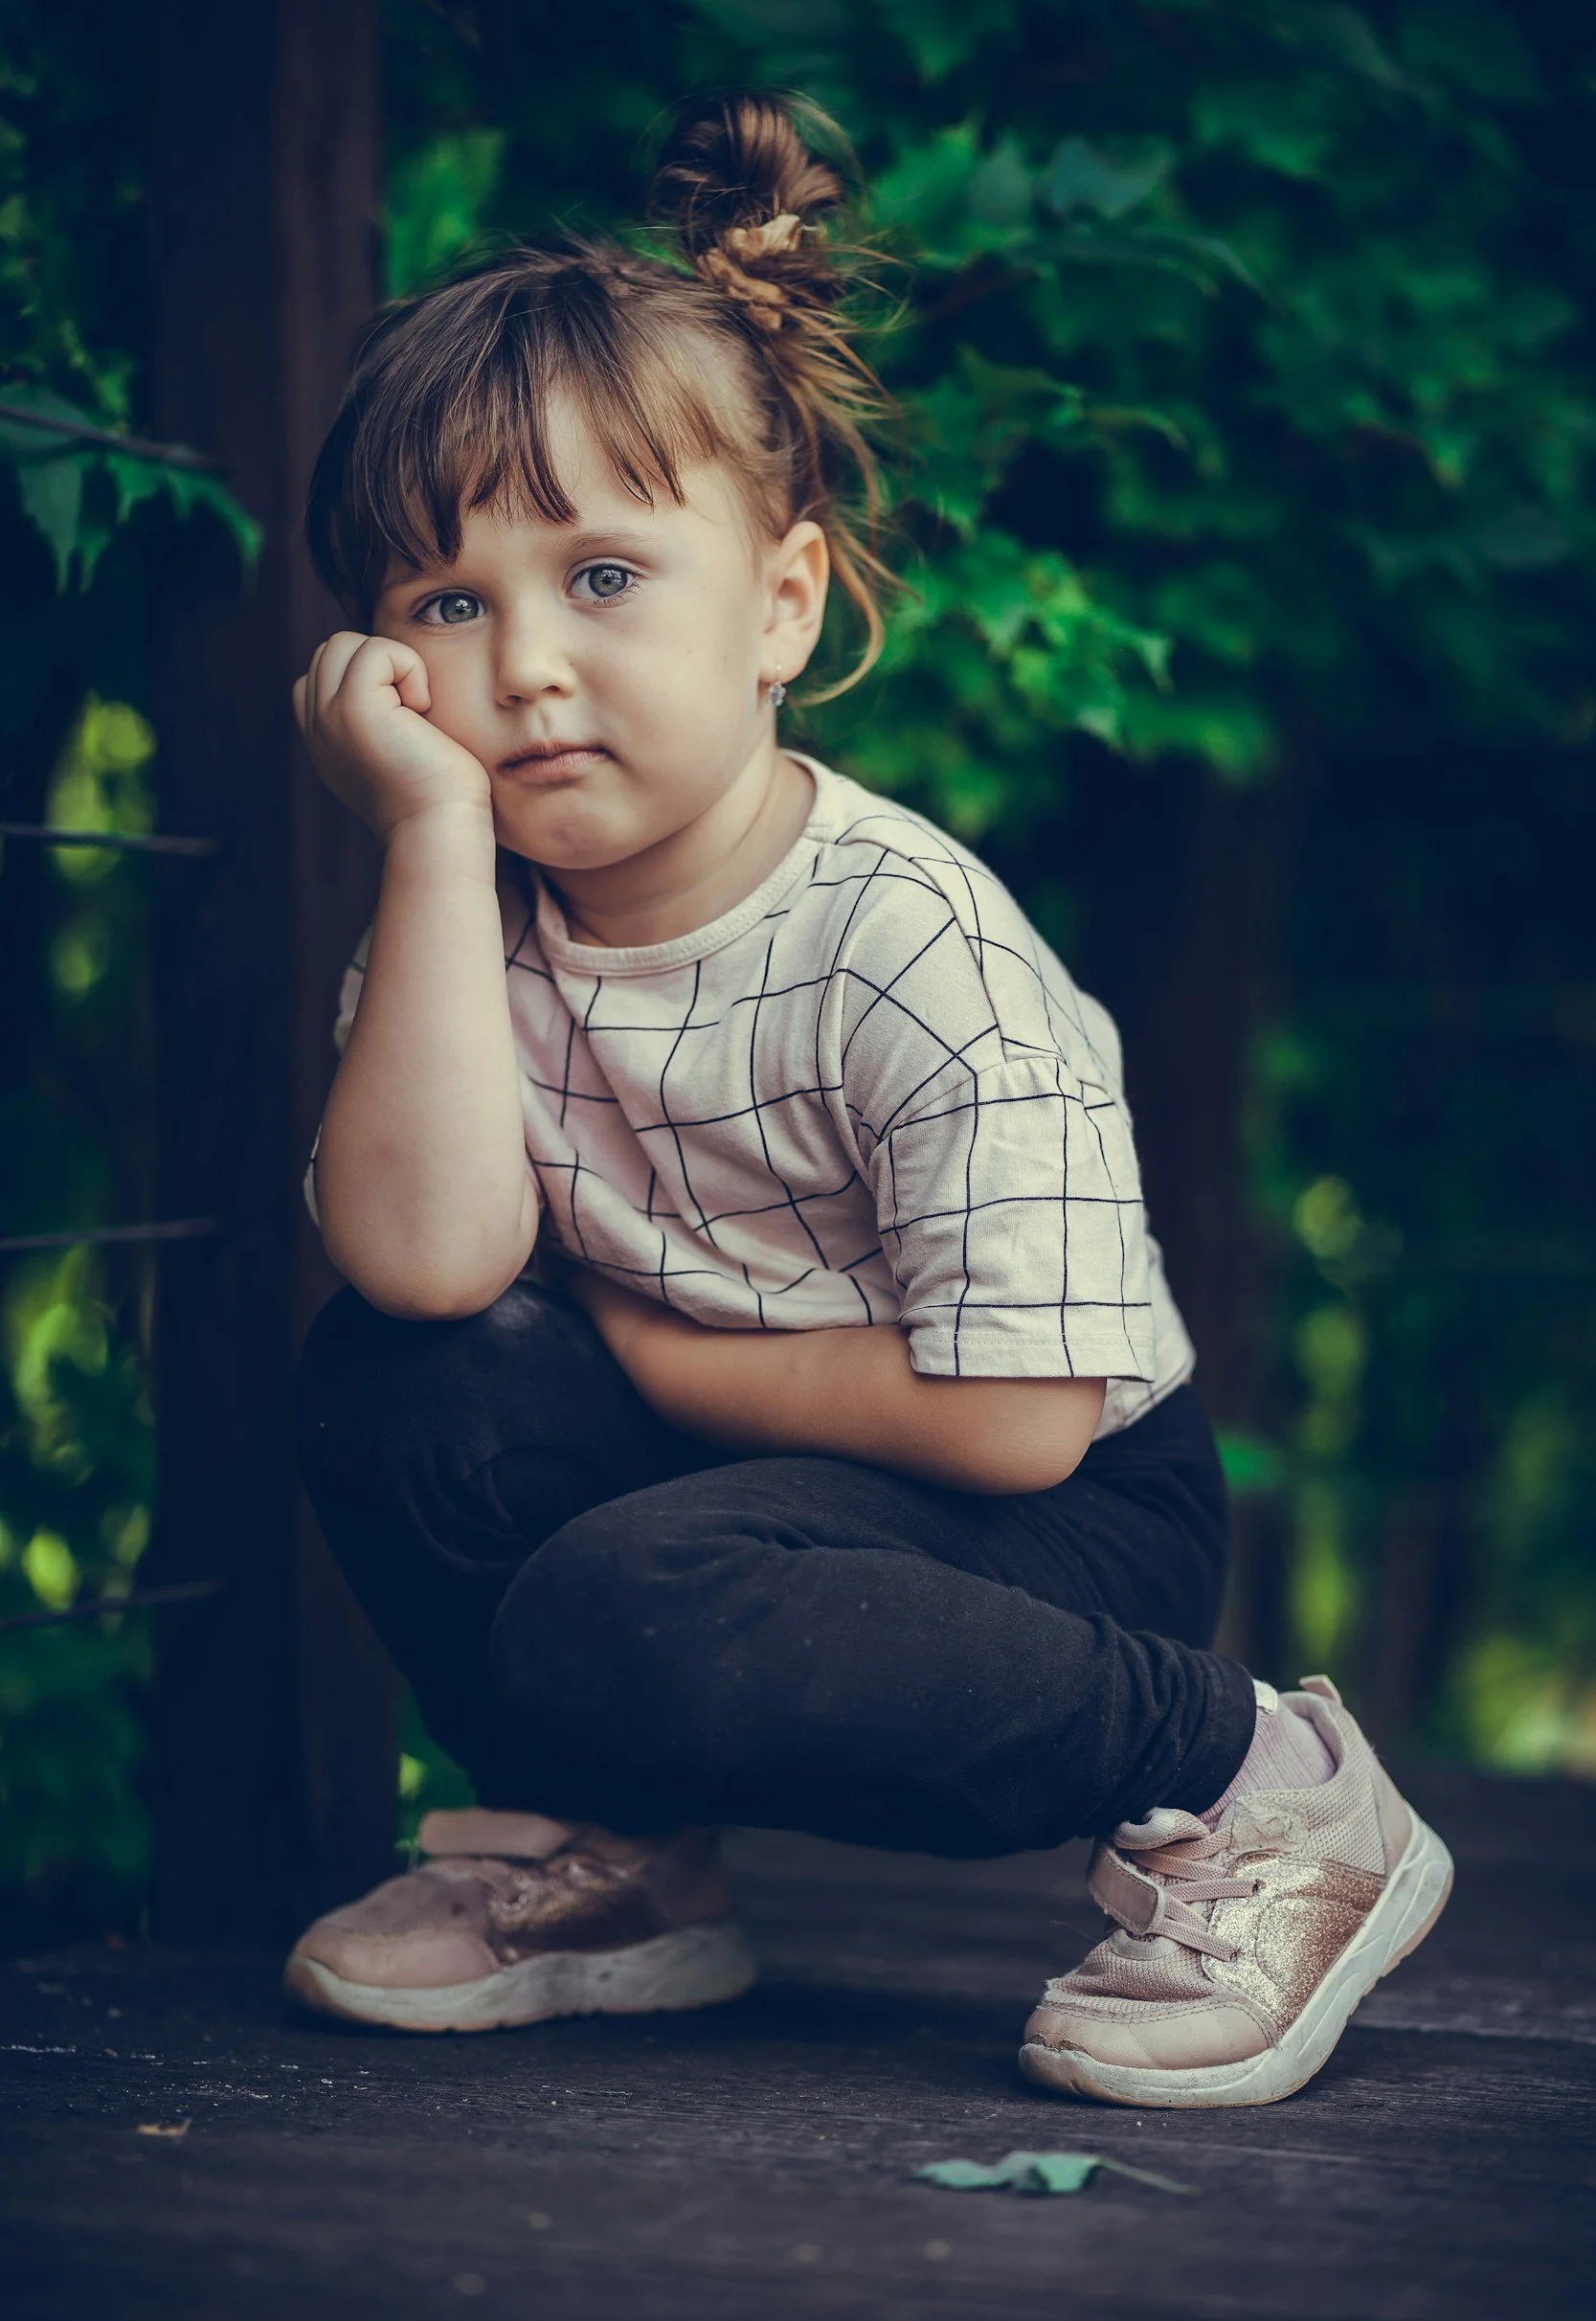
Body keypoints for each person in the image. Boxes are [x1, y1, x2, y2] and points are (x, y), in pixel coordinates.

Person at [284, 95, 1451, 2109]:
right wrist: (415, 841)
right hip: (742, 1476)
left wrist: (655, 1351)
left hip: (1062, 1506)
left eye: (602, 575)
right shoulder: (463, 912)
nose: (530, 667)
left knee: (616, 1606)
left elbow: (1015, 1423)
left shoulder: (909, 948)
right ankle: (620, 1866)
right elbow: (426, 1265)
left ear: (781, 605)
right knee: (395, 1380)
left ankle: (1262, 1792)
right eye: (447, 606)